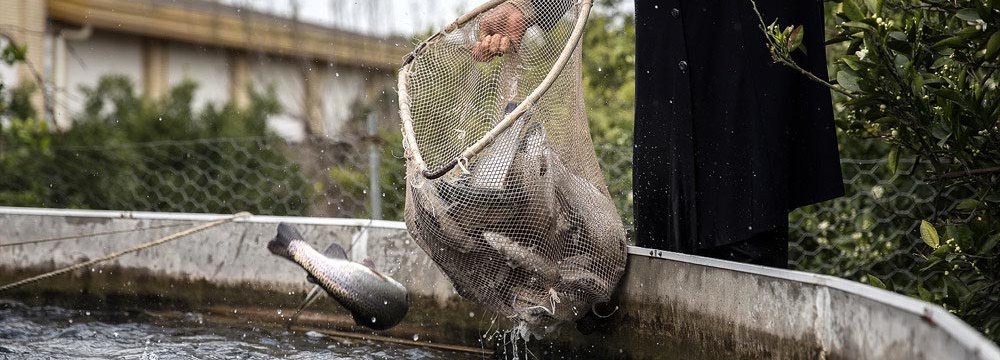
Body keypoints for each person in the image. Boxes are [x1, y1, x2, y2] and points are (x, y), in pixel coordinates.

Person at [474, 0, 843, 268]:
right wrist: (528, 7)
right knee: (667, 247)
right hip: (668, 69)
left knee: (745, 233)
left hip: (744, 60)